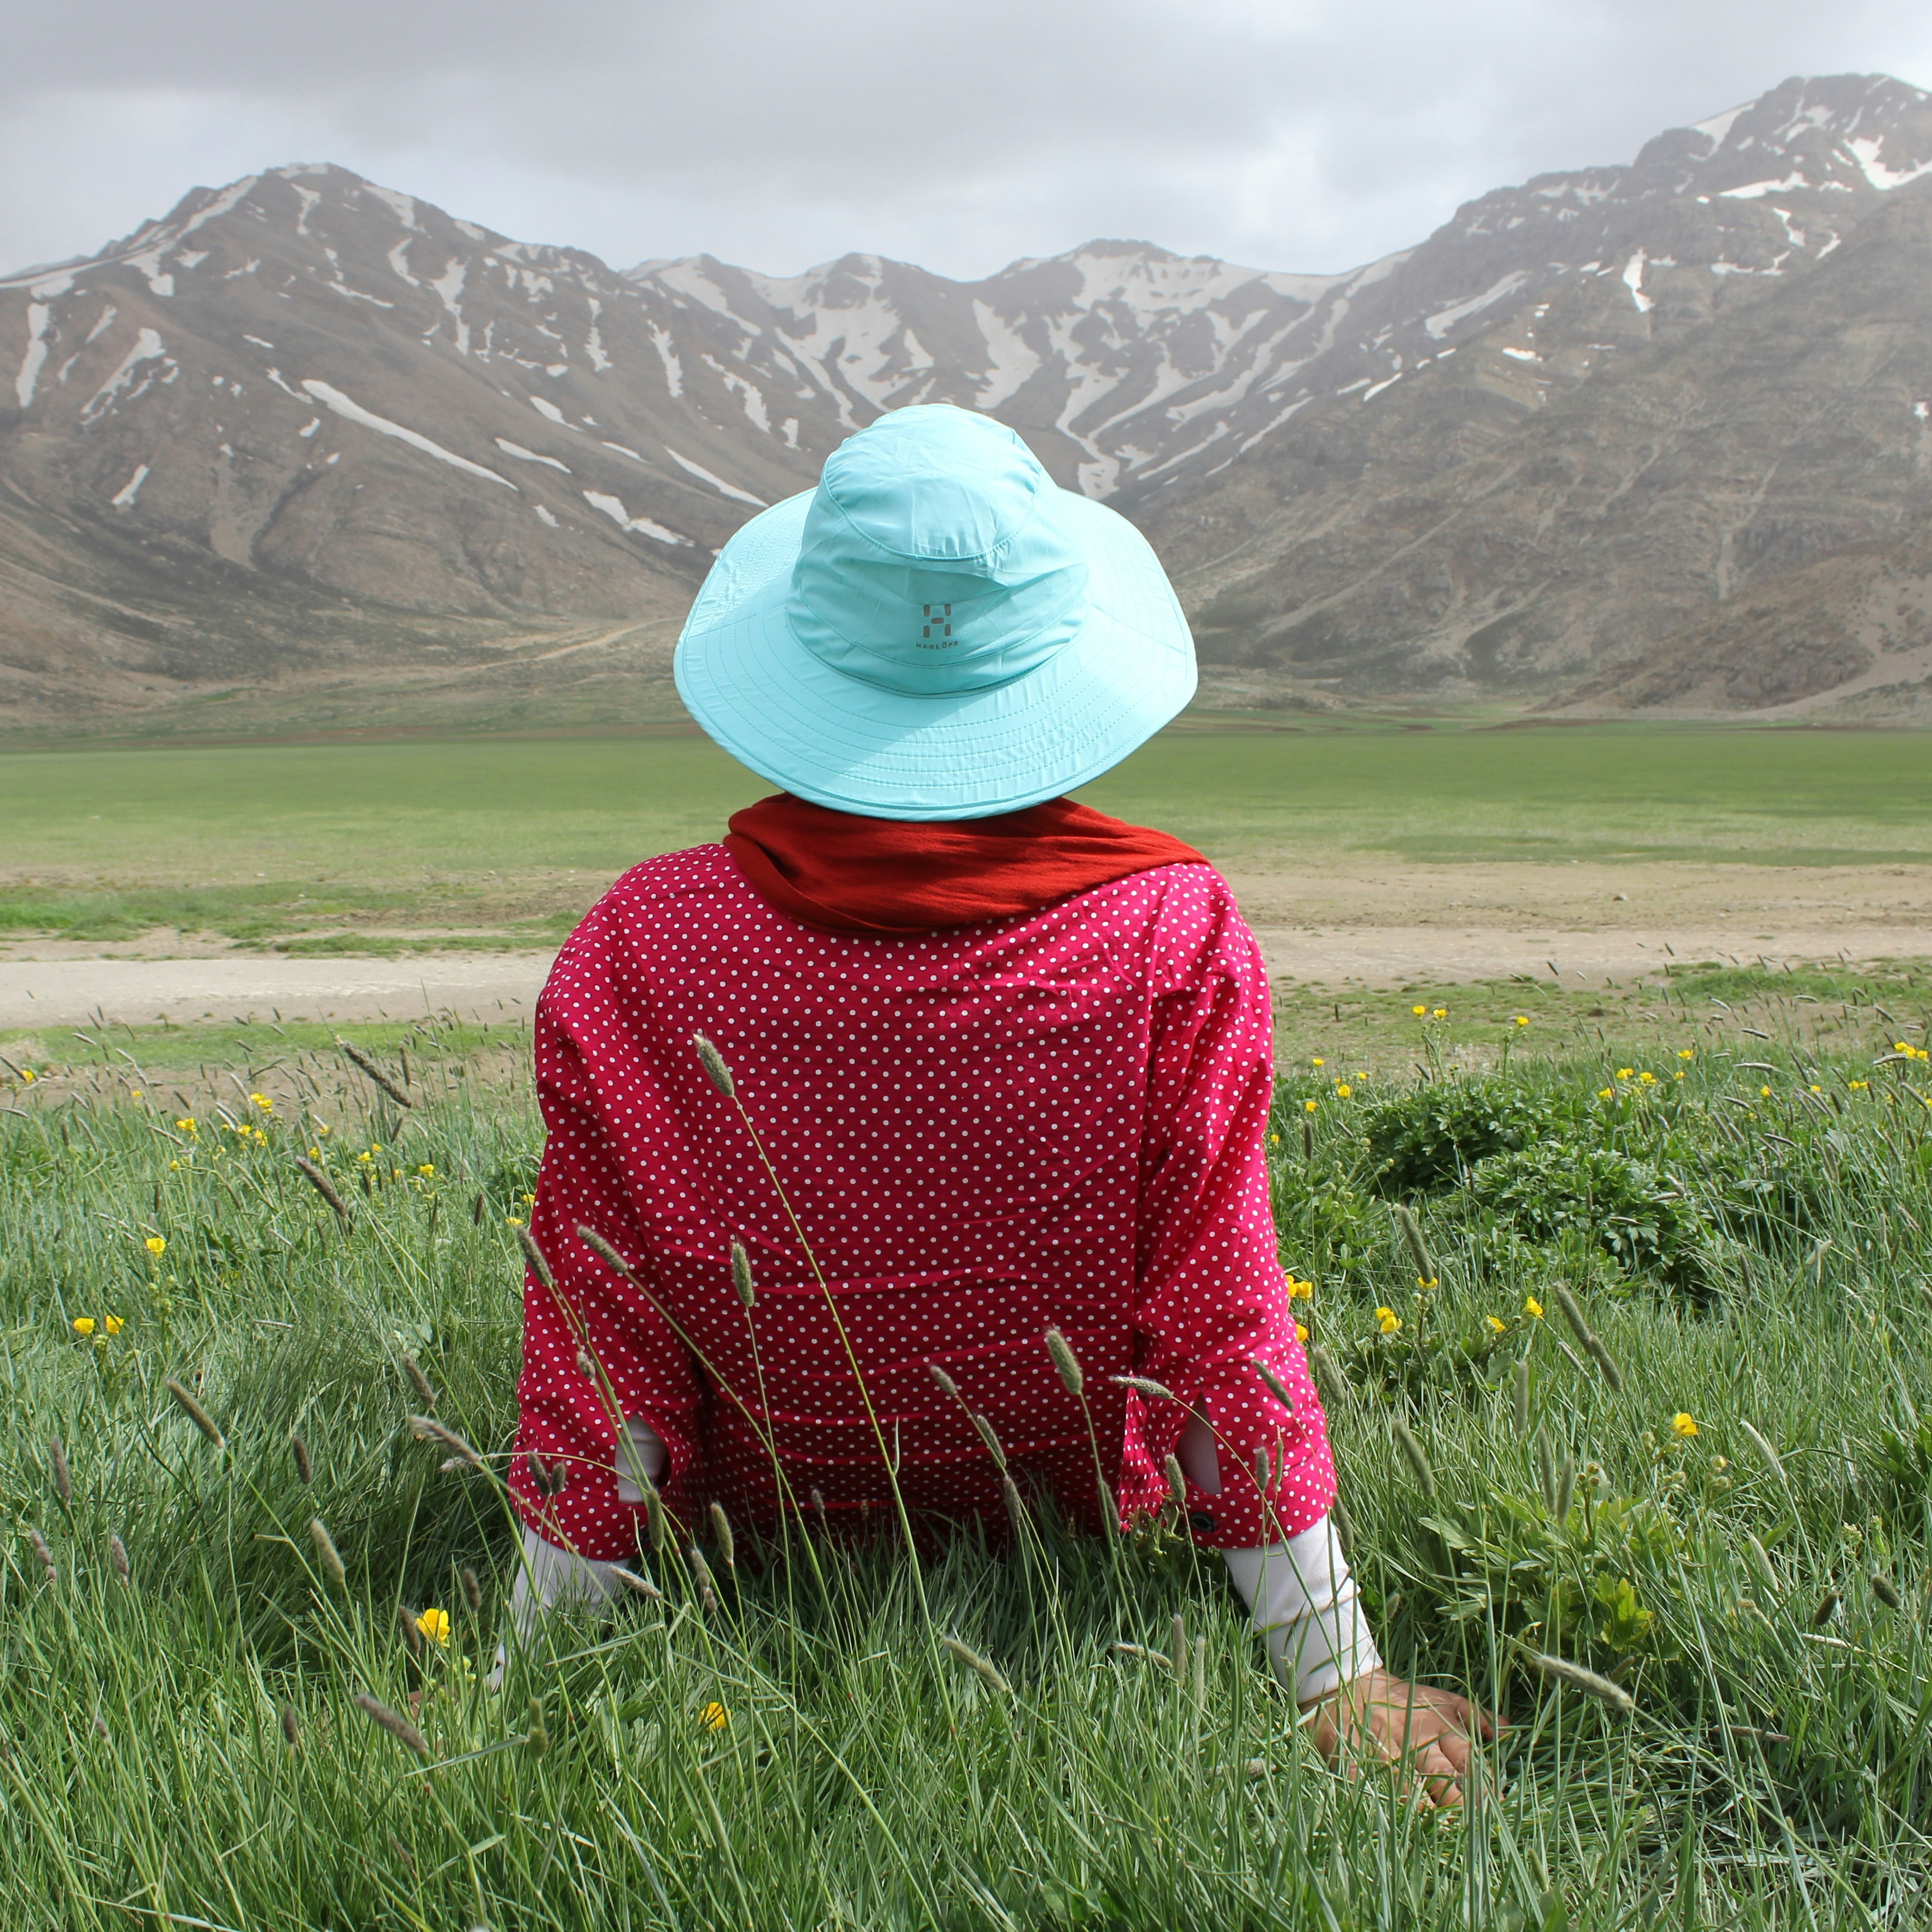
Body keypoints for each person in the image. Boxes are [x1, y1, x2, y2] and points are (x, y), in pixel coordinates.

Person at [500, 403, 1490, 1801]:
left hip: (763, 1533)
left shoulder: (640, 944)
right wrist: (1335, 1672)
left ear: (805, 659)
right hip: (1069, 1515)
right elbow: (1223, 1319)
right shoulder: (1173, 936)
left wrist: (520, 1697)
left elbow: (604, 1356)